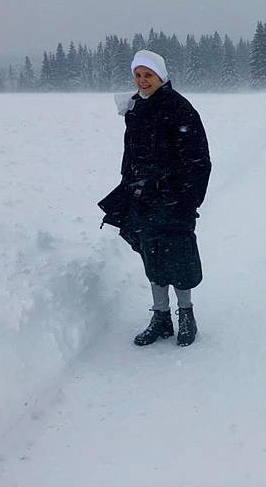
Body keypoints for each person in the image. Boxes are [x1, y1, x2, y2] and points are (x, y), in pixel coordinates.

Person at [98, 50, 211, 347]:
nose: (142, 81)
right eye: (138, 75)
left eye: (148, 75)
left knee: (180, 259)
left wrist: (190, 198)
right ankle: (160, 317)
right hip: (143, 198)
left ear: (161, 76)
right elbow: (131, 155)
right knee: (153, 258)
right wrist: (127, 187)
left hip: (175, 199)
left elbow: (199, 159)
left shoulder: (179, 108)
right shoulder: (135, 109)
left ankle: (186, 314)